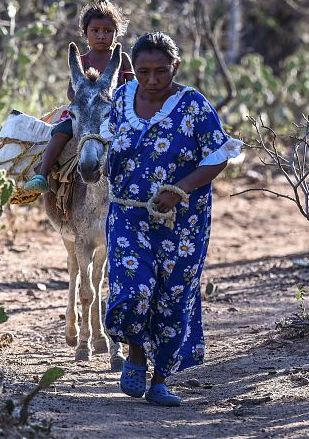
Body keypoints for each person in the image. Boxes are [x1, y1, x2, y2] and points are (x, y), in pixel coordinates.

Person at [104, 32, 241, 406]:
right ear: (133, 71)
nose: (151, 80)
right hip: (127, 215)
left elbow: (218, 156)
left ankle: (160, 379)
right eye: (144, 72)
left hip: (183, 222)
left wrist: (178, 190)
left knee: (173, 297)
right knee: (134, 288)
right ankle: (134, 354)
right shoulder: (121, 99)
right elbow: (106, 138)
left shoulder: (194, 105)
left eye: (161, 72)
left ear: (175, 67)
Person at [23, 0, 134, 193]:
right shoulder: (81, 60)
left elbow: (131, 86)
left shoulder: (121, 58)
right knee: (60, 132)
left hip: (113, 112)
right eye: (96, 31)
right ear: (85, 33)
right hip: (83, 112)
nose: (101, 35)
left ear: (116, 34)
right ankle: (43, 174)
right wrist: (83, 103)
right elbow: (70, 90)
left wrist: (116, 103)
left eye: (107, 31)